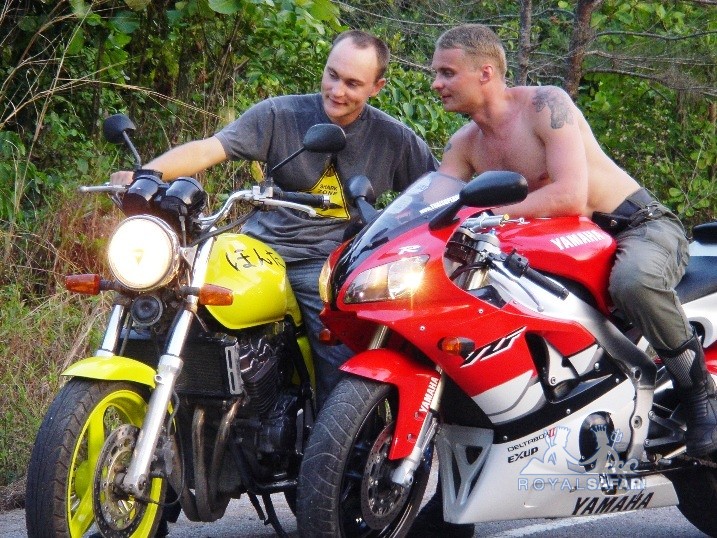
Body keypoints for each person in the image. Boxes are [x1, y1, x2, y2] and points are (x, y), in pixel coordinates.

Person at [409, 22, 717, 537]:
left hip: (634, 227)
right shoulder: (464, 144)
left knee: (634, 284)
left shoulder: (544, 105)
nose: (436, 83)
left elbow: (571, 195)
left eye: (446, 72)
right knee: (477, 336)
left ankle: (696, 392)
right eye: (435, 73)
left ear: (485, 72)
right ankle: (454, 503)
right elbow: (432, 210)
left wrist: (491, 217)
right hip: (552, 251)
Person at [111, 30, 437, 414]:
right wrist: (146, 175)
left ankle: (336, 441)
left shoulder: (393, 139)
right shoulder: (280, 114)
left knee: (339, 360)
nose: (337, 91)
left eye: (352, 84)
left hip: (327, 262)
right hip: (258, 248)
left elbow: (438, 192)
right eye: (332, 75)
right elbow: (211, 148)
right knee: (178, 296)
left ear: (377, 87)